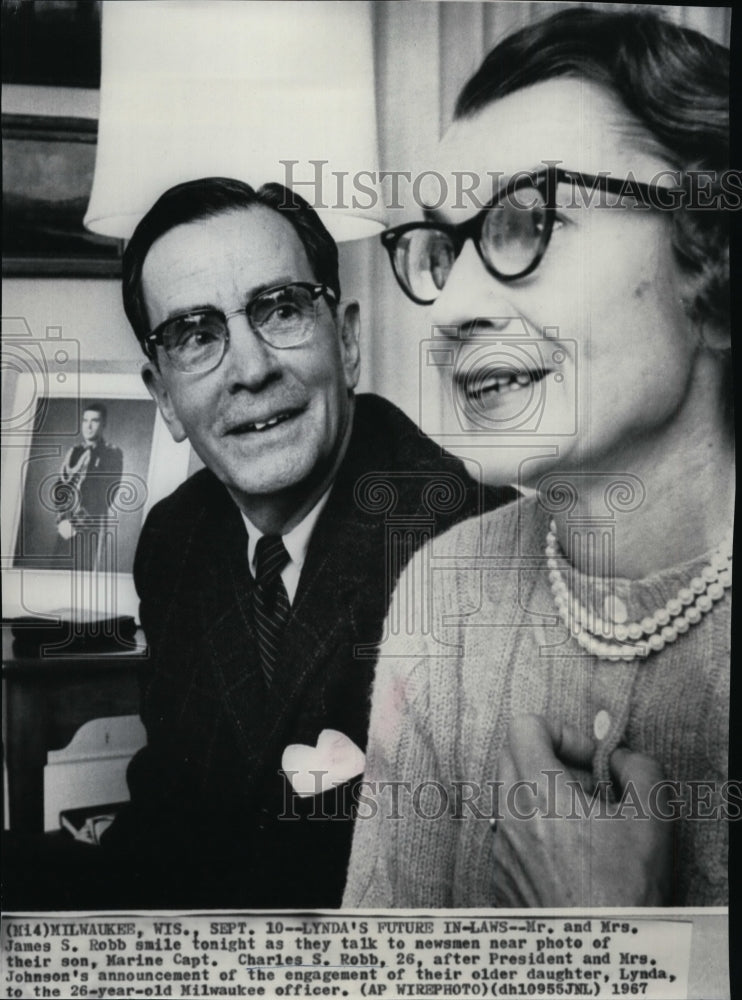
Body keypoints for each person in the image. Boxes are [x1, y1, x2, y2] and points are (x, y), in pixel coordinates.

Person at [343, 8, 733, 908]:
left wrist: (613, 943)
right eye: (443, 247)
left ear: (711, 264)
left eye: (527, 219)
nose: (449, 308)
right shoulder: (445, 591)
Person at [88, 177, 516, 910]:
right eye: (196, 336)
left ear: (346, 341)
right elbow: (169, 818)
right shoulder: (175, 538)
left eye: (281, 310)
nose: (251, 370)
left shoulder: (473, 549)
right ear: (162, 396)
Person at [53, 401, 124, 571]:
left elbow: (107, 496)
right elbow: (59, 488)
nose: (89, 426)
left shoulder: (111, 454)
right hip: (65, 526)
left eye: (95, 421)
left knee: (83, 580)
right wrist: (62, 521)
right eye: (85, 421)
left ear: (103, 424)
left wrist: (75, 524)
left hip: (90, 526)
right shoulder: (74, 452)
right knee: (57, 573)